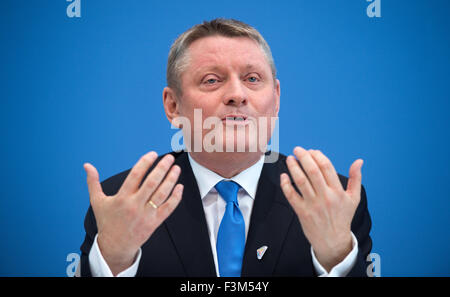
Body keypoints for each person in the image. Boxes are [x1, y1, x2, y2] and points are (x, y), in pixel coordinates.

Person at [79, 18, 372, 277]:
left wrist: (336, 256)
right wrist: (115, 258)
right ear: (173, 105)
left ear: (276, 97)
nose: (236, 94)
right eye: (212, 80)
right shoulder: (119, 202)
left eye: (253, 79)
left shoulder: (334, 200)